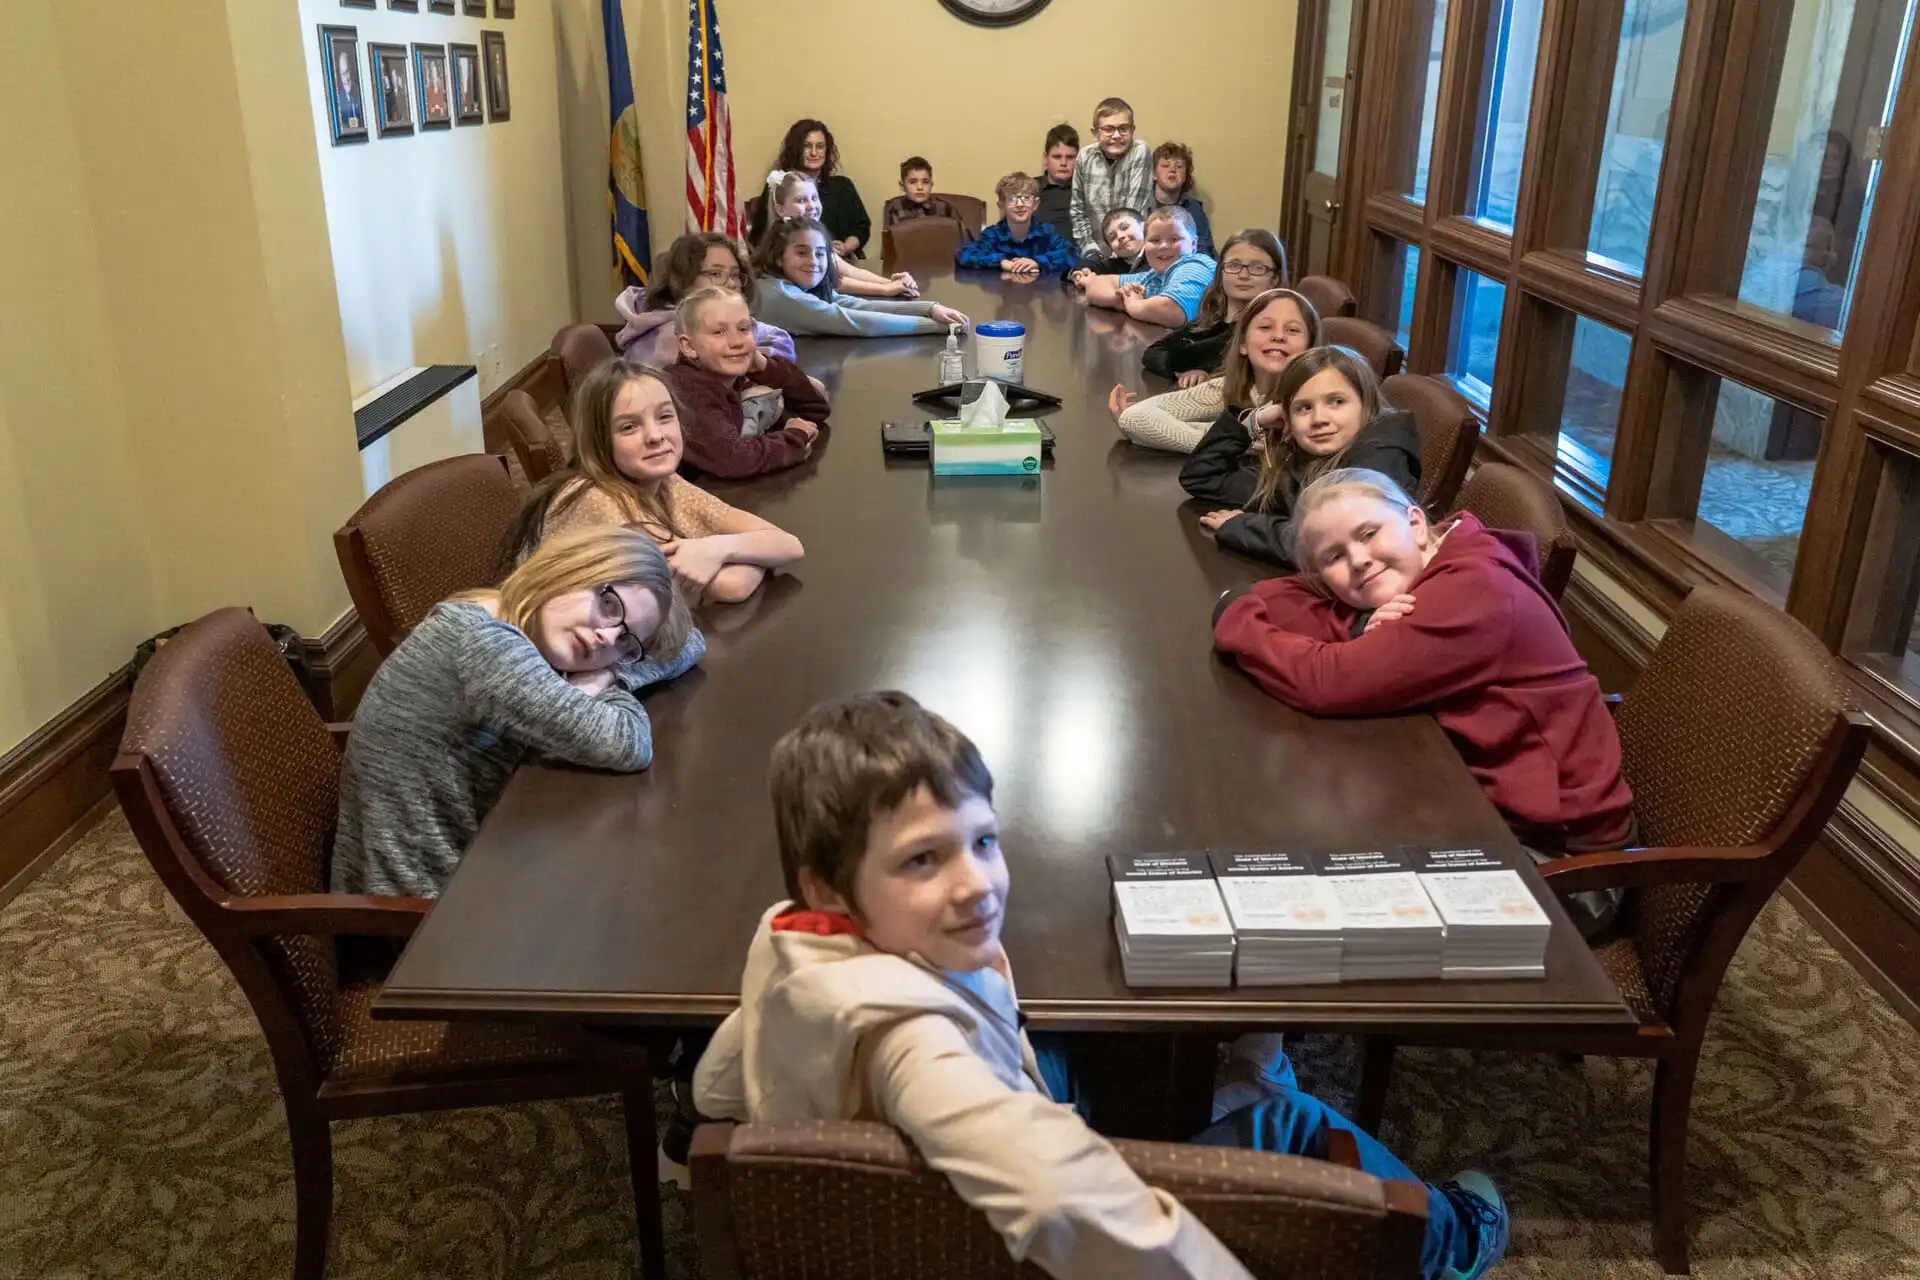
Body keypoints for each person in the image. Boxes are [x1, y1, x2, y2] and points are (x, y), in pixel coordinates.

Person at [692, 691, 1510, 1280]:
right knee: (1292, 1118)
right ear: (831, 886)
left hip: (881, 1212)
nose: (977, 884)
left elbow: (717, 1076)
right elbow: (1060, 1200)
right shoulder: (911, 1046)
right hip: (980, 1234)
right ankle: (1448, 1243)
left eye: (983, 840)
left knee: (1089, 1046)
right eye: (922, 859)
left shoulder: (785, 936)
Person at [1212, 469, 1636, 935]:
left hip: (1566, 870)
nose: (1358, 560)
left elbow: (1326, 681)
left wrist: (1237, 617)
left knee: (1310, 901)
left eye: (1369, 534)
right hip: (1483, 809)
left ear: (1415, 522)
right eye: (1333, 556)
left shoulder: (1473, 591)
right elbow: (1289, 599)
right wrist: (1359, 626)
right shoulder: (1442, 559)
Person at [330, 526, 705, 899]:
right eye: (609, 604)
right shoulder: (485, 645)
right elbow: (628, 743)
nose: (607, 637)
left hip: (483, 858)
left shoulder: (517, 621)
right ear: (571, 568)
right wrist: (605, 681)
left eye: (626, 640)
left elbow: (688, 643)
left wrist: (605, 674)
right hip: (421, 913)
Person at [513, 357, 805, 603]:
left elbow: (789, 544)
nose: (655, 436)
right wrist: (741, 551)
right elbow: (733, 586)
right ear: (598, 441)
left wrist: (714, 549)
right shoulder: (601, 501)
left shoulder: (663, 480)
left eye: (664, 417)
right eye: (629, 427)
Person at [1181, 345, 1420, 565]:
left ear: (1366, 405)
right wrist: (1255, 420)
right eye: (1303, 408)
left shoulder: (1380, 457)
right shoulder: (1302, 457)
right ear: (1286, 419)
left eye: (1336, 402)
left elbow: (1331, 540)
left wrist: (1241, 526)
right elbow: (1203, 477)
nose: (1319, 419)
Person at [1113, 284, 1317, 454]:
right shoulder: (1231, 386)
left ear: (1311, 346)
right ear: (1243, 344)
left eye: (1293, 330)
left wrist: (1226, 438)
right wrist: (1233, 442)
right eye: (1265, 327)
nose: (1278, 336)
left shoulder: (1315, 399)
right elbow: (1135, 417)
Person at [664, 288, 830, 479]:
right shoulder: (686, 391)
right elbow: (733, 460)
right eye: (719, 332)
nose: (736, 341)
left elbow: (815, 410)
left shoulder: (733, 378)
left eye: (743, 329)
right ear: (689, 346)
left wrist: (764, 366)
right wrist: (795, 436)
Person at [753, 217, 969, 338]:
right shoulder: (781, 295)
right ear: (779, 257)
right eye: (801, 252)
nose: (813, 261)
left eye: (820, 253)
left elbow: (852, 304)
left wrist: (930, 308)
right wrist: (940, 327)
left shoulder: (788, 285)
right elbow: (854, 321)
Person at [614, 233, 797, 368]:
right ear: (684, 280)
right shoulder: (668, 341)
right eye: (715, 274)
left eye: (735, 275)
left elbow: (778, 338)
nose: (731, 284)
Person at [1140, 228, 1287, 385]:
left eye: (1258, 268)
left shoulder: (1268, 332)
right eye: (1234, 265)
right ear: (1221, 271)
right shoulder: (1211, 320)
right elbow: (1152, 353)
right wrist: (1181, 372)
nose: (1243, 275)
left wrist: (1197, 367)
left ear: (1275, 279)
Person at [754, 171, 919, 299]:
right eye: (801, 200)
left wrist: (894, 282)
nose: (811, 205)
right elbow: (834, 283)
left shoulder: (814, 236)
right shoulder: (783, 241)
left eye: (814, 198)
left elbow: (850, 271)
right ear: (780, 209)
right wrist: (885, 289)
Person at [1081, 207, 1217, 327]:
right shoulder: (1153, 275)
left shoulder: (1196, 265)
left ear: (1193, 244)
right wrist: (1126, 298)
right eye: (1155, 240)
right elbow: (1095, 286)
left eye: (1174, 239)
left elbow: (1172, 311)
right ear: (1145, 244)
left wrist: (1134, 305)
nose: (1163, 246)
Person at [1069, 97, 1152, 261]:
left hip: (1132, 254)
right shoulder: (1085, 156)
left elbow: (1131, 214)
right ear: (1095, 133)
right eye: (1108, 129)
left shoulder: (1140, 151)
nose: (1116, 135)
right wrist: (1090, 250)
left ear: (1133, 130)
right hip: (1095, 252)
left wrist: (1114, 261)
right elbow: (1078, 210)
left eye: (1123, 129)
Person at [775, 118, 871, 259]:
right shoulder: (780, 184)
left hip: (837, 262)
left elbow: (861, 228)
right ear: (796, 150)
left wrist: (846, 247)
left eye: (820, 146)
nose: (814, 153)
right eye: (807, 146)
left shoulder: (843, 186)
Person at [954, 172, 1076, 279]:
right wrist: (1001, 262)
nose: (1020, 204)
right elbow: (963, 254)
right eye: (1012, 198)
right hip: (1004, 291)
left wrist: (1038, 262)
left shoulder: (1046, 232)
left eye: (1026, 198)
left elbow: (1073, 254)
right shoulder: (993, 234)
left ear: (1035, 204)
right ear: (1001, 205)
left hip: (1037, 292)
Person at [1149, 142, 1214, 258]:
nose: (1172, 170)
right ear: (1154, 174)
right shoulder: (1142, 203)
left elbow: (1204, 249)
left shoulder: (1193, 208)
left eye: (1179, 166)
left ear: (1185, 176)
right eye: (1165, 165)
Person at [883, 156, 964, 231]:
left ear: (931, 185)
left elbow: (964, 239)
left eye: (925, 182)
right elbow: (892, 242)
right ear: (902, 186)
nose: (920, 187)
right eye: (913, 182)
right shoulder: (895, 208)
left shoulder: (944, 207)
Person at [1067, 209, 1146, 281]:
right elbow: (1086, 264)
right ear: (1111, 247)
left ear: (1143, 226)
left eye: (1125, 227)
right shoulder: (1114, 265)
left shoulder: (1156, 254)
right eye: (1112, 237)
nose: (1120, 236)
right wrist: (1079, 272)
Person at [1037, 123, 1079, 241]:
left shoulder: (1085, 191)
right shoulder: (1028, 189)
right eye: (1057, 157)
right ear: (1046, 159)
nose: (1063, 163)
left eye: (1070, 157)